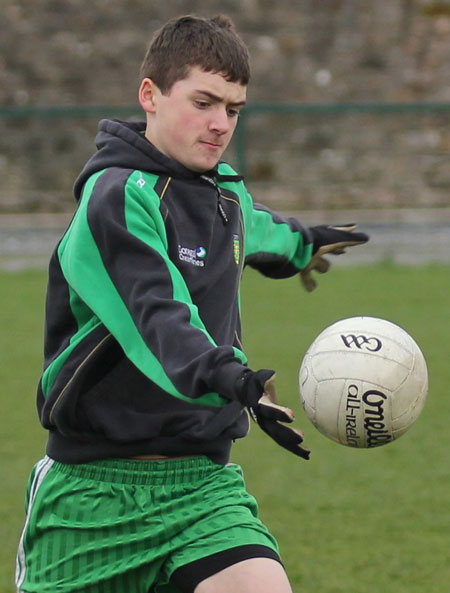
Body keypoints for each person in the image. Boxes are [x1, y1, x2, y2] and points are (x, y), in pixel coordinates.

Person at [15, 14, 368, 593]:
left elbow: (252, 227)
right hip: (91, 496)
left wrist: (301, 244)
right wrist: (233, 378)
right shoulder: (116, 199)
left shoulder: (223, 193)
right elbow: (160, 316)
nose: (220, 124)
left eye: (233, 109)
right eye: (204, 102)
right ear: (149, 96)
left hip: (202, 486)